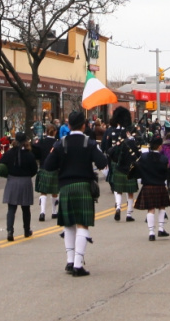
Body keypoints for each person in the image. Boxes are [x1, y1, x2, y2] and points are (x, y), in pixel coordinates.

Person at [45, 108, 107, 275]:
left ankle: (70, 262)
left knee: (69, 225)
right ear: (84, 125)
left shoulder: (60, 143)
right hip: (83, 185)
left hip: (65, 186)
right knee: (82, 224)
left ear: (69, 125)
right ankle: (78, 265)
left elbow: (48, 165)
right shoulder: (89, 143)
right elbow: (102, 162)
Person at [132, 134, 170, 241]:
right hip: (159, 185)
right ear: (159, 146)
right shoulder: (163, 158)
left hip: (147, 185)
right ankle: (161, 229)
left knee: (151, 209)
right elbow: (166, 173)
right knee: (162, 207)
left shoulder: (144, 157)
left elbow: (137, 169)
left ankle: (151, 233)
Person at [0, 130, 39, 241]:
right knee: (26, 208)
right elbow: (34, 170)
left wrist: (7, 173)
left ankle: (10, 231)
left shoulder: (9, 153)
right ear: (26, 141)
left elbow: (1, 164)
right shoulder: (29, 154)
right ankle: (27, 230)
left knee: (11, 208)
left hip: (12, 180)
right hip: (25, 181)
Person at [107, 129, 139, 222]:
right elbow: (138, 155)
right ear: (128, 133)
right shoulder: (133, 143)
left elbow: (110, 152)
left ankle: (118, 208)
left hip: (119, 170)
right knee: (130, 193)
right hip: (130, 170)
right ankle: (129, 214)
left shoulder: (119, 144)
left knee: (118, 191)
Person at [34, 126, 61, 222]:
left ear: (46, 132)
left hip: (43, 168)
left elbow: (36, 154)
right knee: (54, 191)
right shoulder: (58, 143)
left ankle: (42, 212)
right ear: (55, 132)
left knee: (43, 192)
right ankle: (54, 212)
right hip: (54, 170)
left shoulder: (41, 142)